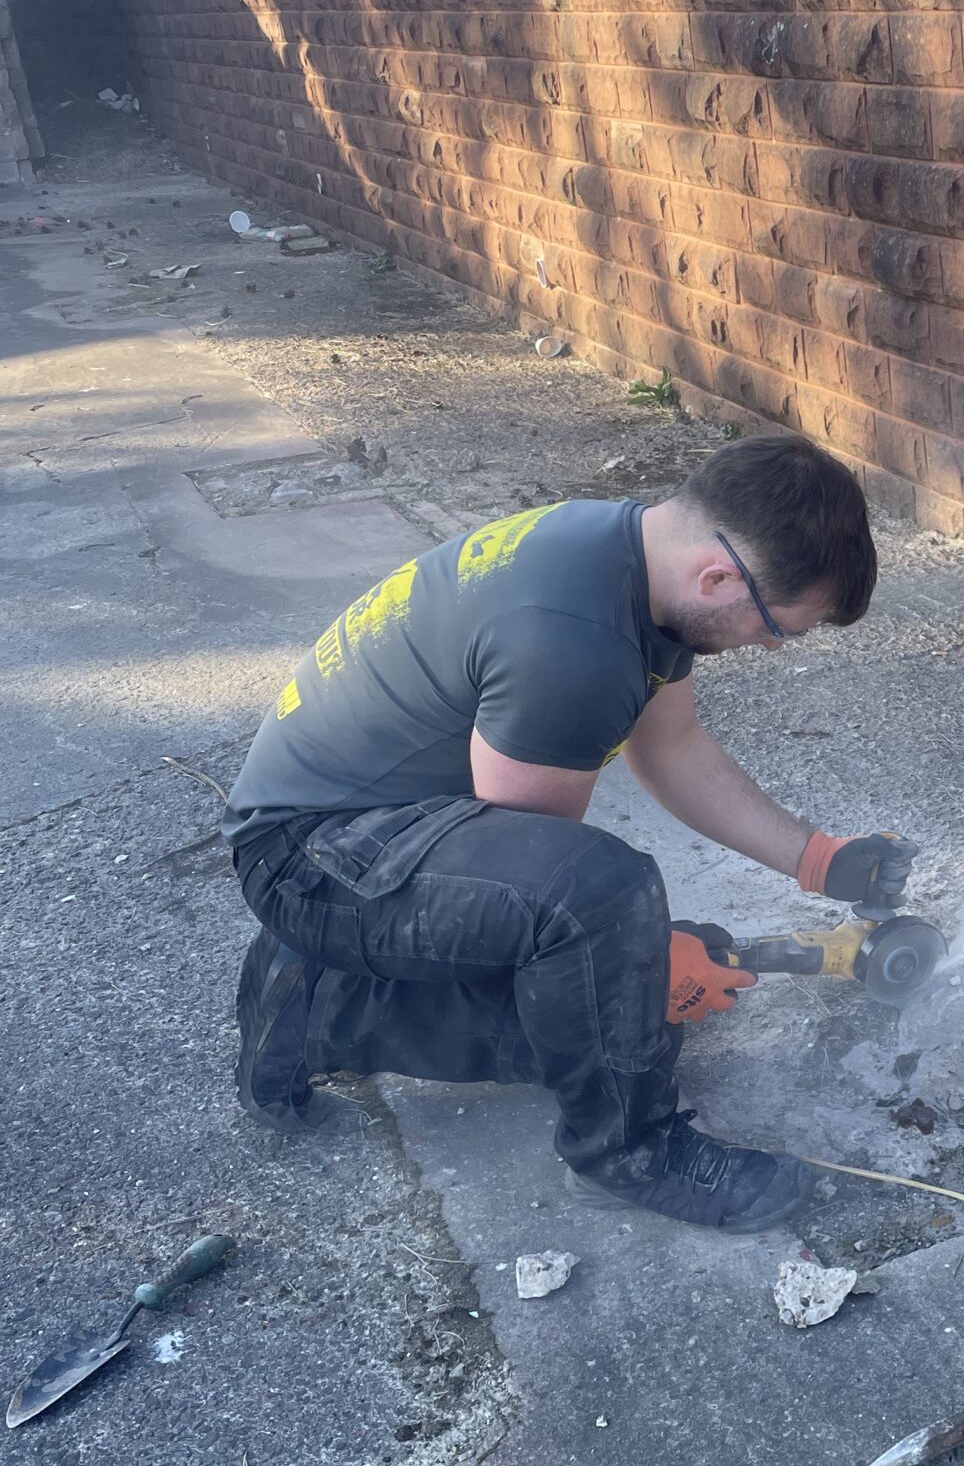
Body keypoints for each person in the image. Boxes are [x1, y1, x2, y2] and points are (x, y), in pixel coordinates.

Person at [224, 436, 915, 1233]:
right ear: (719, 578)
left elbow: (673, 750)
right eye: (777, 628)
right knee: (609, 953)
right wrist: (637, 980)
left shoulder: (630, 559)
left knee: (627, 968)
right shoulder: (574, 641)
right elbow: (543, 884)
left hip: (354, 831)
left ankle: (318, 986)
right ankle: (627, 1152)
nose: (769, 645)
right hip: (313, 863)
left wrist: (817, 859)